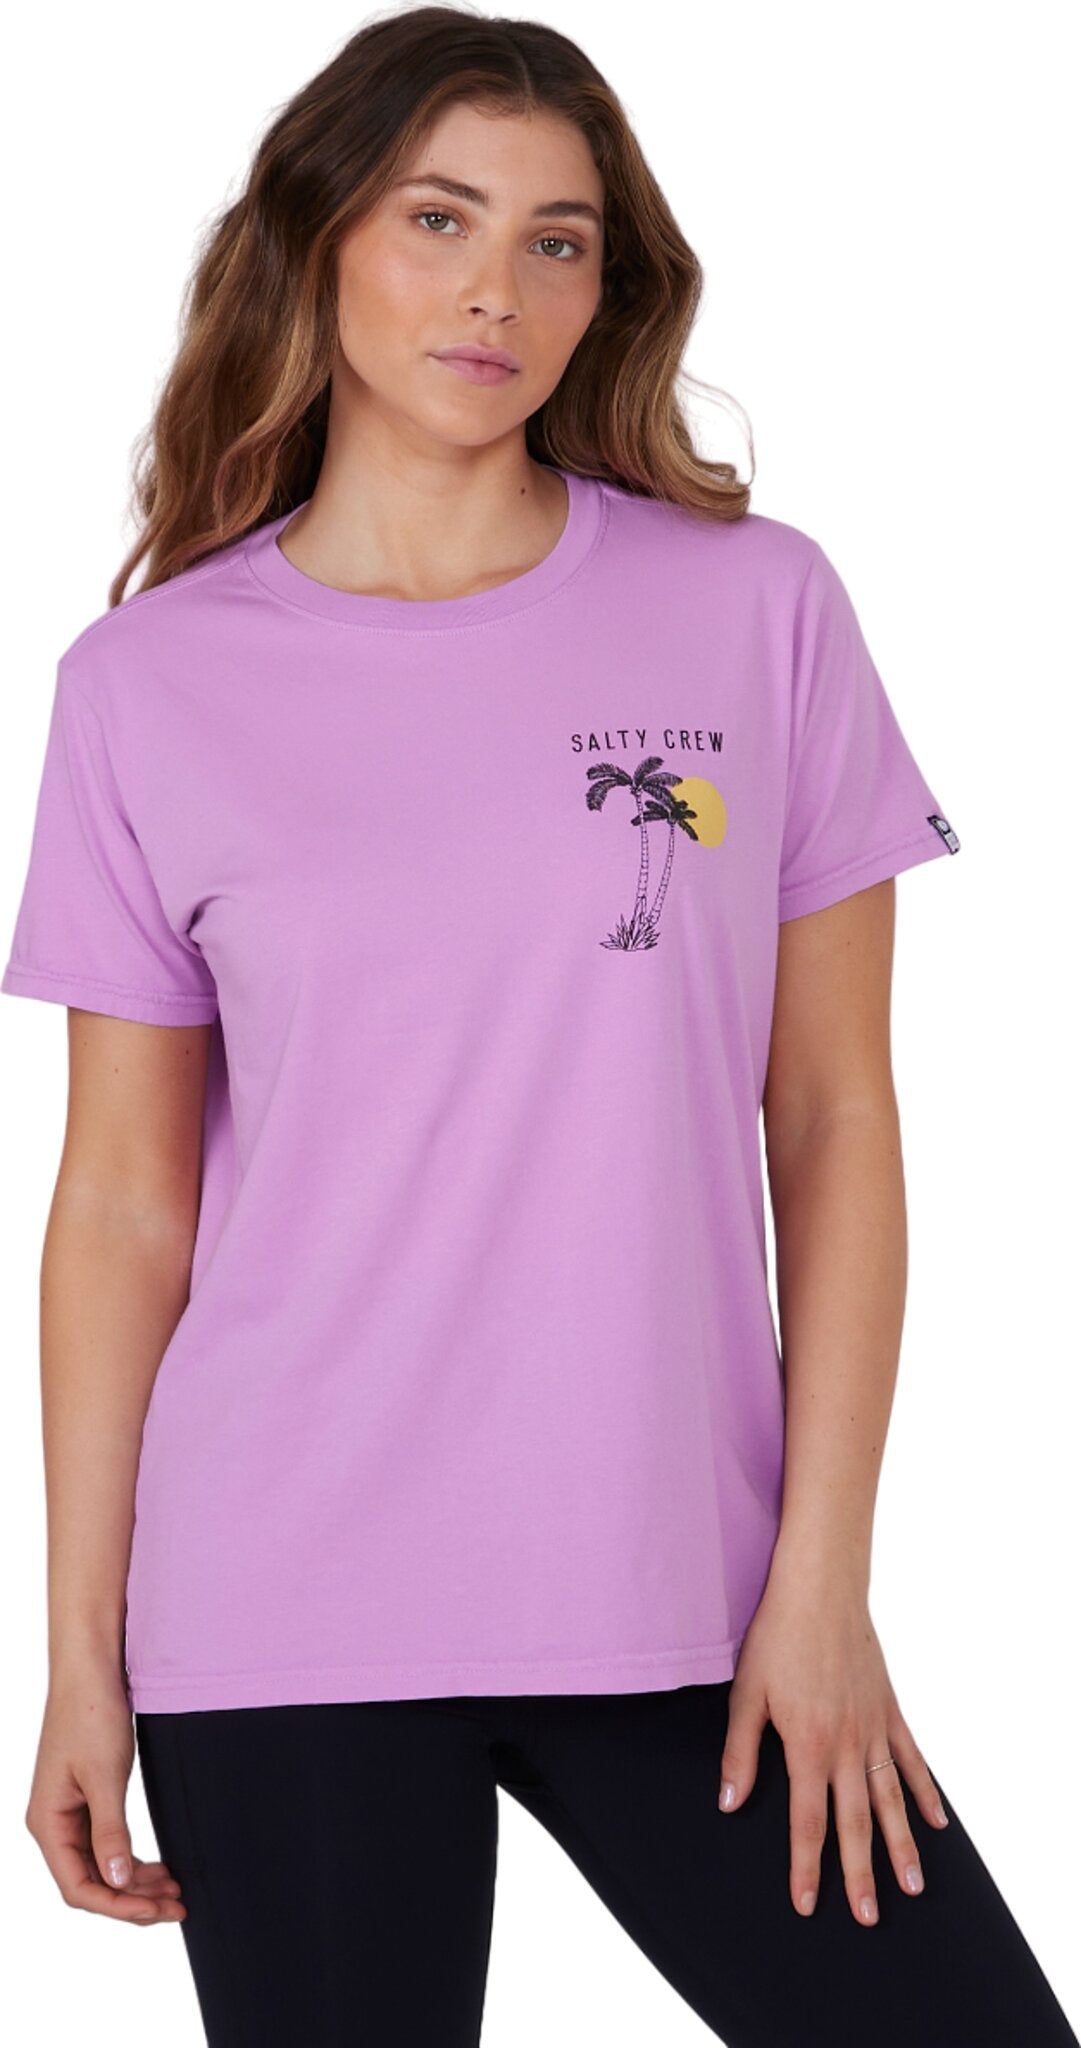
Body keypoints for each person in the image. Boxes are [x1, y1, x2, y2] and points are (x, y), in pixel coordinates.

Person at [3, 8, 1076, 2045]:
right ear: (318, 239)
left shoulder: (754, 610)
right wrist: (76, 1649)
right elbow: (124, 1205)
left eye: (557, 241)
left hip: (688, 1588)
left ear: (607, 290)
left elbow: (832, 1116)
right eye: (439, 219)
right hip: (282, 1597)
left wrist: (823, 1582)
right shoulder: (144, 686)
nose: (496, 286)